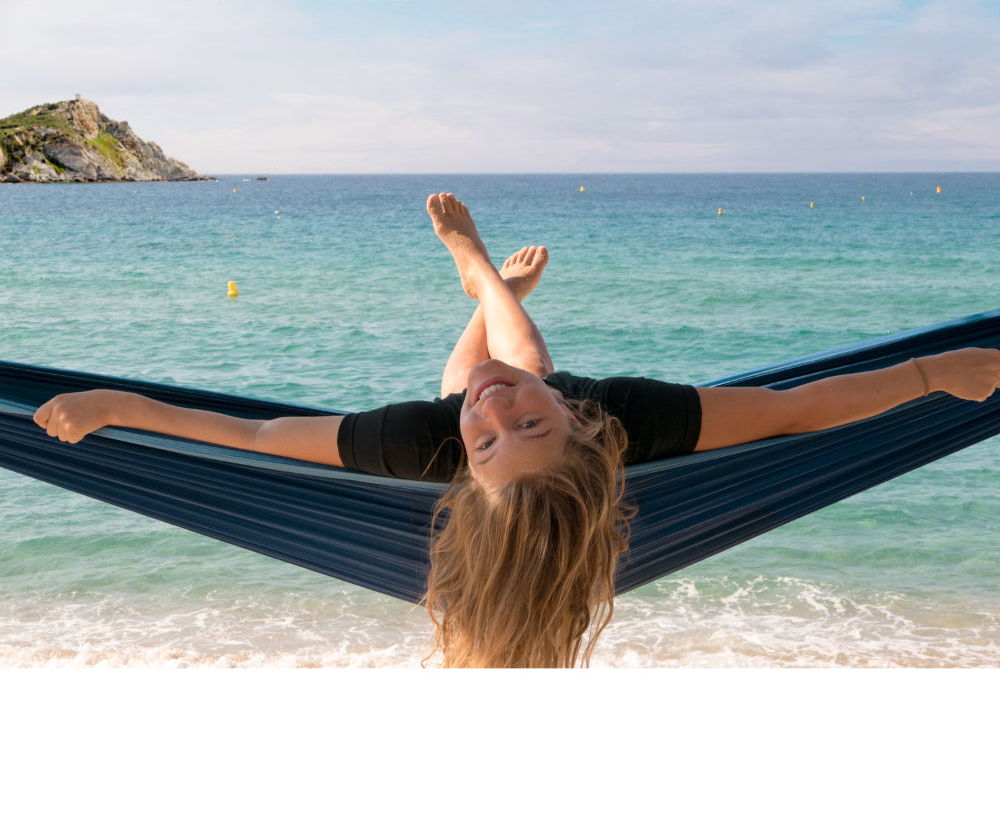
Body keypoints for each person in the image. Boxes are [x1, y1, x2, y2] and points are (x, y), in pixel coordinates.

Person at [34, 193, 1000, 668]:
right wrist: (929, 372)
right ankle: (484, 274)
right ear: (581, 428)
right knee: (519, 351)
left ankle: (488, 289)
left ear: (469, 473)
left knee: (472, 378)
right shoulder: (634, 416)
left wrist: (127, 409)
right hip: (569, 408)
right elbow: (800, 410)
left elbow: (249, 439)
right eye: (527, 423)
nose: (497, 414)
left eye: (495, 438)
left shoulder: (420, 443)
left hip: (469, 466)